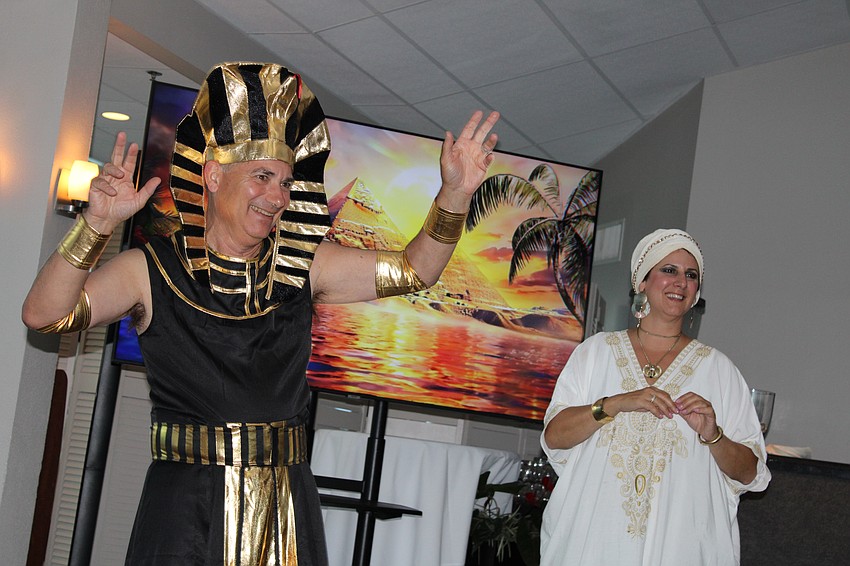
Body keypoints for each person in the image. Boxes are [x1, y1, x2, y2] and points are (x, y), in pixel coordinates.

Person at [22, 62, 499, 566]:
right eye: (263, 177)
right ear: (212, 174)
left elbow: (414, 271)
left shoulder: (303, 266)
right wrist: (94, 224)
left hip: (284, 511)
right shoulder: (150, 269)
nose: (277, 197)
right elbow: (45, 316)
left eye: (287, 182)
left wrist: (456, 194)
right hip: (186, 511)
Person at [539, 228, 770, 565]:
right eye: (669, 270)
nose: (680, 282)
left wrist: (713, 434)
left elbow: (751, 473)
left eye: (691, 275)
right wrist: (616, 404)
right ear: (642, 282)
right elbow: (554, 437)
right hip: (593, 542)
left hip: (682, 547)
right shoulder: (596, 352)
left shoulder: (720, 371)